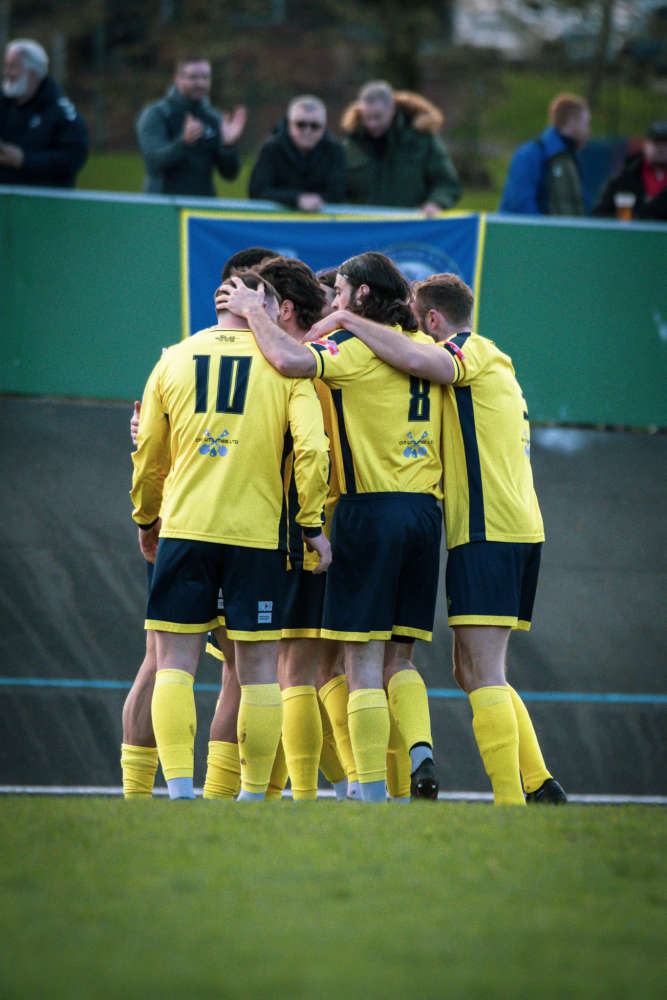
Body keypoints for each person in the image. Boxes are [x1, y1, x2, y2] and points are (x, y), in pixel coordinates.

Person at [311, 273, 567, 805]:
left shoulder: (467, 352)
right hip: (506, 526)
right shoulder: (494, 360)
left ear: (432, 319)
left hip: (487, 529)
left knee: (482, 671)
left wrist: (346, 319)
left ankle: (511, 800)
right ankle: (539, 782)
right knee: (469, 669)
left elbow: (418, 359)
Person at [218, 252, 444, 803]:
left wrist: (253, 311)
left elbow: (290, 360)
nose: (332, 303)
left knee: (349, 663)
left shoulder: (353, 348)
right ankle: (414, 758)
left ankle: (363, 792)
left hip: (363, 508)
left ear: (362, 294)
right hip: (425, 513)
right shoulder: (425, 347)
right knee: (398, 657)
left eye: (339, 292)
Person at [130, 270, 330, 801]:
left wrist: (147, 520)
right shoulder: (286, 365)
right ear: (265, 307)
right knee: (259, 670)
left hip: (186, 527)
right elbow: (313, 451)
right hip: (256, 536)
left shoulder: (174, 358)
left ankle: (178, 790)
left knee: (174, 664)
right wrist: (311, 525)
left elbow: (148, 452)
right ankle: (250, 796)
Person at [340, 80, 460, 216]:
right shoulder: (350, 145)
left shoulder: (422, 140)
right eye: (367, 118)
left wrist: (436, 203)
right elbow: (336, 188)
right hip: (365, 226)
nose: (372, 124)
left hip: (410, 225)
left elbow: (446, 183)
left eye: (378, 117)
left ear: (392, 110)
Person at [136, 57, 246, 197]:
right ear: (177, 79)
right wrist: (183, 143)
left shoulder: (214, 118)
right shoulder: (157, 114)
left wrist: (229, 146)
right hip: (164, 204)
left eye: (205, 77)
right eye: (193, 77)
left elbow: (230, 174)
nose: (200, 83)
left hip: (201, 206)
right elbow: (153, 163)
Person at [0, 38, 89, 187]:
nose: (7, 72)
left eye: (13, 67)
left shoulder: (60, 110)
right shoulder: (4, 102)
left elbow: (74, 156)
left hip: (45, 198)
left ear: (33, 73)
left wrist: (25, 160)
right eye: (6, 65)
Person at [248, 95, 346, 212]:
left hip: (321, 221)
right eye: (301, 124)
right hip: (278, 221)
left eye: (315, 126)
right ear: (289, 124)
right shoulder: (271, 148)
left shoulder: (335, 151)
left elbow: (338, 193)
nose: (307, 131)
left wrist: (313, 201)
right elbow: (257, 191)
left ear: (324, 127)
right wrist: (296, 199)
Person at [499, 93, 590, 216]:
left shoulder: (570, 158)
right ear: (571, 121)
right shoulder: (530, 154)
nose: (587, 130)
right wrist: (543, 228)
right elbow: (520, 204)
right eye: (585, 124)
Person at [593, 121, 667, 221]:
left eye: (665, 144)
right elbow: (599, 215)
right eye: (656, 143)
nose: (661, 148)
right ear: (645, 145)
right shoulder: (623, 178)